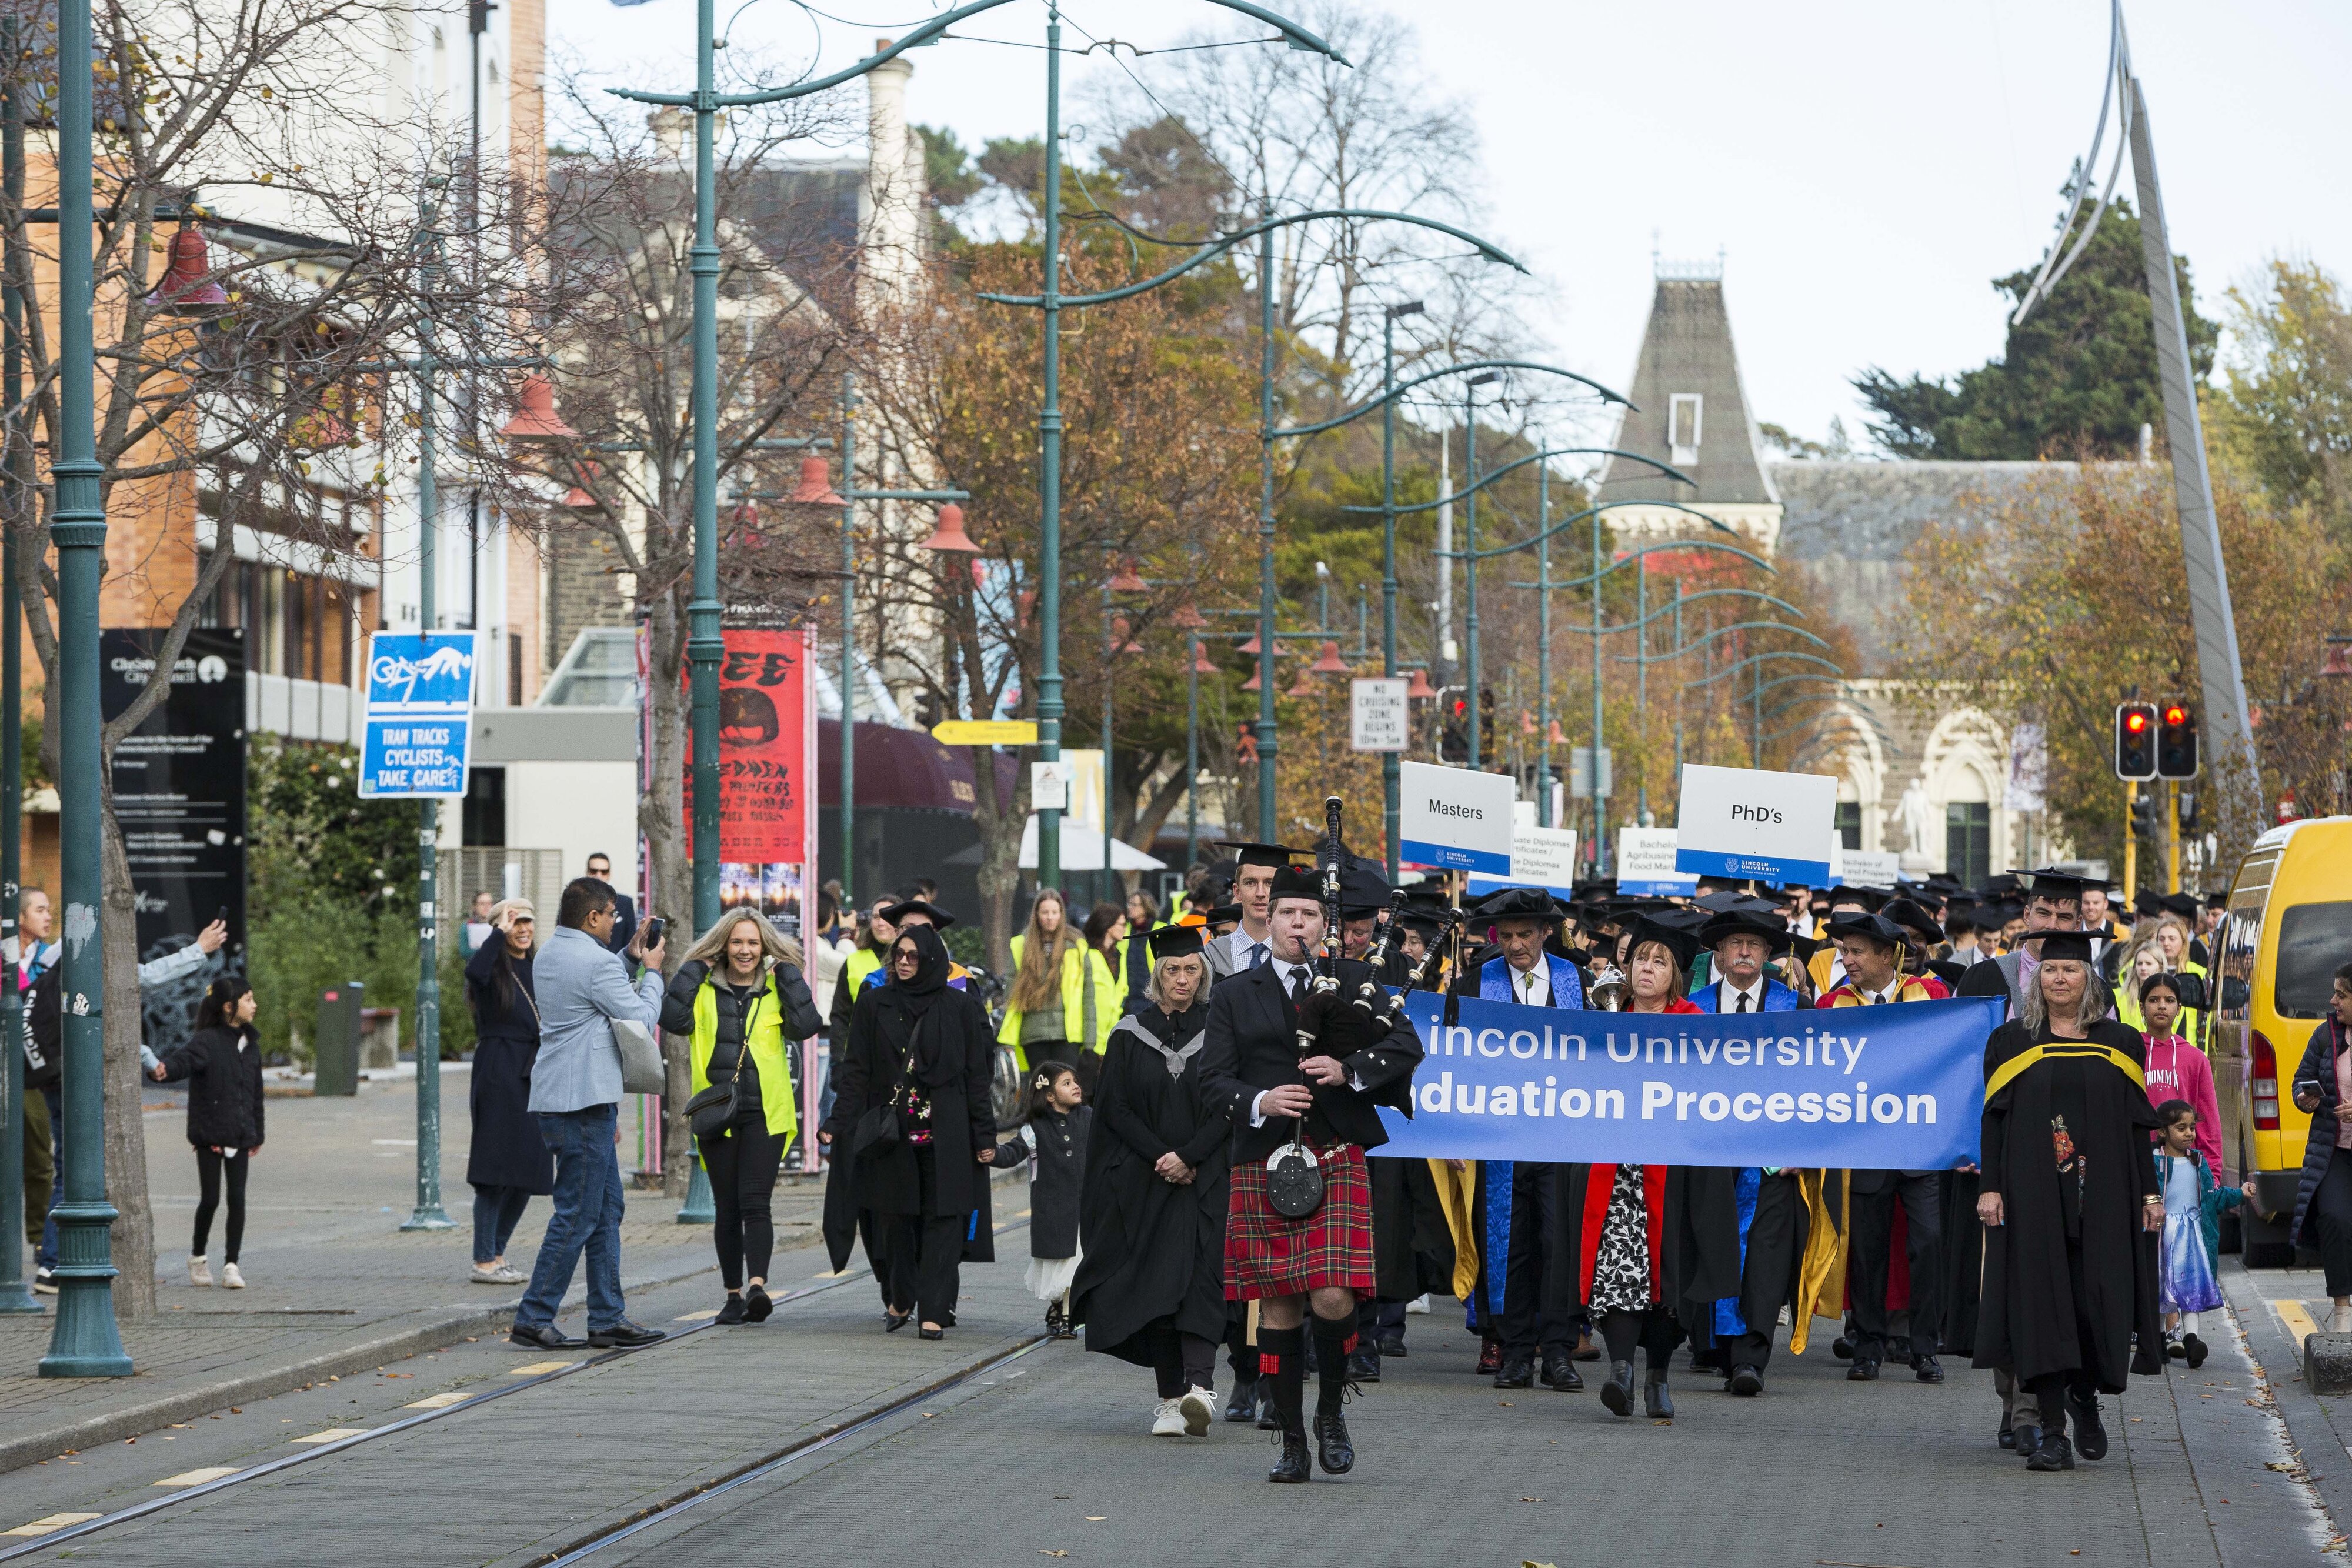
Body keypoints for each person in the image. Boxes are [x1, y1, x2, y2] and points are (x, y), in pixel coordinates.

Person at [1197, 861, 1423, 1482]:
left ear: (1326, 925)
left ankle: (1331, 1412)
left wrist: (1349, 1070)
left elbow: (1407, 1045)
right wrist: (1260, 1100)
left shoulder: (1354, 979)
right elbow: (1211, 1077)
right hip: (1264, 1158)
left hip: (1334, 1150)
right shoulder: (1235, 992)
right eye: (1289, 912)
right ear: (1268, 918)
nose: (1299, 922)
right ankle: (1292, 1439)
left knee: (1331, 1294)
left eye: (1311, 915)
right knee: (1278, 1308)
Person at [1973, 929, 2164, 1472]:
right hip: (2033, 1195)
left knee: (2091, 1304)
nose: (2060, 979)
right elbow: (1993, 1120)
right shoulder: (2012, 1041)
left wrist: (2150, 1191)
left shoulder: (2122, 1040)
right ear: (2038, 980)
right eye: (2050, 970)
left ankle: (2086, 1395)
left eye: (2071, 970)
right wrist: (1989, 1185)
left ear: (2088, 979)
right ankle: (2053, 1431)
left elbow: (2136, 1126)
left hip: (2103, 1195)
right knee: (2040, 1309)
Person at [1556, 914, 1738, 1420]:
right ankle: (1620, 1370)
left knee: (1666, 1277)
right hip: (1614, 1168)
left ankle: (1657, 1374)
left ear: (1674, 974)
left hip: (1675, 1169)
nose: (1647, 968)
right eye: (1640, 959)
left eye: (1659, 961)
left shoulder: (1696, 1027)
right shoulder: (1605, 1017)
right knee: (1615, 1269)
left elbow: (1717, 1093)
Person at [1072, 925, 1232, 1439]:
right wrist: (1162, 1156)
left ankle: (1201, 1388)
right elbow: (1113, 1109)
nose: (1182, 979)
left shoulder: (1222, 1029)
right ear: (1156, 976)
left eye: (1191, 969)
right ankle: (1168, 1401)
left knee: (1202, 1279)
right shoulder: (1128, 1033)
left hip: (1206, 1178)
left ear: (1203, 974)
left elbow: (1229, 1104)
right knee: (1156, 1290)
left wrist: (1190, 1156)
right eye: (1172, 970)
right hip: (1146, 1183)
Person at [509, 878, 668, 1352]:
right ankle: (534, 1314)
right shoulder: (596, 962)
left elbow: (592, 987)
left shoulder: (554, 951)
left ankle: (607, 1318)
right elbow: (639, 1019)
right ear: (594, 916)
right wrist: (653, 971)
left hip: (565, 1097)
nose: (615, 925)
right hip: (582, 1103)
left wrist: (627, 958)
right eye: (613, 918)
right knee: (578, 1213)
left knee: (605, 1210)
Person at [825, 924, 995, 1339]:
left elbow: (976, 1075)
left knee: (943, 1220)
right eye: (898, 955)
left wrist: (985, 1135)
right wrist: (837, 1121)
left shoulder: (959, 1007)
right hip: (893, 1132)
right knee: (897, 1220)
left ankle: (933, 1311)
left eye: (912, 956)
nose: (903, 962)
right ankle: (901, 1295)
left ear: (932, 959)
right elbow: (856, 1070)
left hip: (948, 1130)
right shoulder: (874, 1004)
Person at [662, 908, 822, 1325]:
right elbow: (673, 1020)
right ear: (724, 946)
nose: (745, 950)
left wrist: (788, 975)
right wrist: (694, 966)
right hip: (716, 1112)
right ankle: (732, 1294)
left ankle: (756, 1286)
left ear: (764, 946)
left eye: (753, 942)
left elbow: (806, 1026)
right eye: (736, 942)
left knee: (756, 1203)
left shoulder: (774, 990)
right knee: (727, 1207)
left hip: (765, 1113)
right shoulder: (703, 991)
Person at [1457, 886, 1584, 1394]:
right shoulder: (1474, 984)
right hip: (1501, 1139)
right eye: (1506, 936)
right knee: (1509, 1246)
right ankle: (1513, 1353)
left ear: (1545, 933)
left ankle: (1558, 1351)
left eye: (1525, 935)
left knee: (1559, 1244)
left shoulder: (1577, 982)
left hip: (1559, 1137)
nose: (1515, 946)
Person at [1816, 909, 1949, 1384]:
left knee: (1928, 1243)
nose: (1845, 959)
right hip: (1865, 1145)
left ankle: (1925, 1347)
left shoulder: (1931, 997)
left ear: (1885, 955)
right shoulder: (1832, 1005)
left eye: (1855, 952)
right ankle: (1867, 1346)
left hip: (1919, 1145)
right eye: (1843, 951)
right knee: (1867, 1251)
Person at [1689, 901, 1808, 1397]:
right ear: (1718, 952)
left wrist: (1804, 1145)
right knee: (1713, 1245)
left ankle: (1751, 1358)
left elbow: (1814, 1083)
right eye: (1735, 943)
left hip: (1771, 1156)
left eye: (1754, 945)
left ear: (1767, 954)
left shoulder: (1795, 1007)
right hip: (1710, 1153)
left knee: (1764, 1254)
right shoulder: (1692, 1008)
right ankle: (1717, 1347)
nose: (1744, 951)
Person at [146, 975, 265, 1287]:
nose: (255, 1006)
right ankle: (198, 1256)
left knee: (237, 1199)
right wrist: (163, 1070)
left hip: (240, 1135)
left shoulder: (251, 1045)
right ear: (229, 1007)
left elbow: (256, 1093)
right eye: (248, 999)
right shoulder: (207, 1042)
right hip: (210, 1136)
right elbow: (181, 1062)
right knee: (210, 1199)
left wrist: (257, 1134)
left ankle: (231, 1265)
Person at [463, 898, 549, 1285]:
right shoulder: (490, 968)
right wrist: (496, 931)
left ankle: (497, 1252)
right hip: (498, 1068)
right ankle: (483, 1259)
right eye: (514, 922)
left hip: (532, 1071)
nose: (523, 928)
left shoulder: (536, 967)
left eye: (527, 921)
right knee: (494, 1168)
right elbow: (475, 970)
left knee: (528, 1170)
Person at [989, 1059, 1091, 1339]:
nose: (1076, 1087)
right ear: (1049, 1095)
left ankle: (1068, 1315)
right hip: (1052, 1209)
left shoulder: (1090, 1118)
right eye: (1066, 1083)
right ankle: (1059, 1309)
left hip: (1085, 1208)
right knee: (1059, 1263)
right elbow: (1012, 1152)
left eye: (1075, 1082)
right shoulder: (1035, 1128)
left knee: (1077, 1262)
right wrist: (993, 1155)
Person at [2153, 1099, 2240, 1369]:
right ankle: (2159, 1340)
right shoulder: (2154, 1162)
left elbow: (2212, 1197)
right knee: (2162, 1287)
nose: (2190, 1133)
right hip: (2163, 1235)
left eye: (2192, 1127)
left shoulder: (2198, 1162)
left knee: (2191, 1288)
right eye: (2182, 1128)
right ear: (2163, 1131)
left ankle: (2193, 1341)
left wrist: (2240, 1194)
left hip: (2192, 1237)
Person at [2289, 965, 2352, 1334]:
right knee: (2334, 1219)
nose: (2333, 1001)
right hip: (2335, 1151)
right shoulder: (2325, 1035)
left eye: (2342, 994)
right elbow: (2302, 1079)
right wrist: (2305, 1097)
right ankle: (2343, 1309)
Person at [999, 889, 1091, 1075]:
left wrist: (1090, 1043)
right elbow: (1012, 995)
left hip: (1068, 1033)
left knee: (1064, 1089)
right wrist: (1008, 1039)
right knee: (1041, 1091)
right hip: (1033, 1033)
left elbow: (1088, 996)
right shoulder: (1021, 946)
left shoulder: (1077, 946)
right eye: (1045, 912)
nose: (1050, 918)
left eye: (1055, 912)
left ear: (1062, 914)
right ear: (1037, 915)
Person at [2139, 973, 2221, 1172]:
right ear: (2142, 1007)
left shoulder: (2196, 1059)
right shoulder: (2130, 1052)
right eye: (2153, 1000)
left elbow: (2208, 1122)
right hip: (2139, 1162)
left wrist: (2213, 1175)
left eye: (2169, 1000)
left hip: (2185, 1165)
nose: (2162, 1006)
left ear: (2179, 1009)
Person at [1205, 842, 1296, 978]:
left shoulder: (1298, 954)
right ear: (1237, 891)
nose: (1260, 893)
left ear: (1285, 890)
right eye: (1250, 883)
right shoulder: (1212, 954)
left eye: (1270, 883)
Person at [583, 853, 637, 953]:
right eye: (593, 871)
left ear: (609, 874)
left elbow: (630, 942)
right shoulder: (576, 903)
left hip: (616, 964)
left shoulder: (625, 904)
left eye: (604, 872)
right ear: (587, 872)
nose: (598, 876)